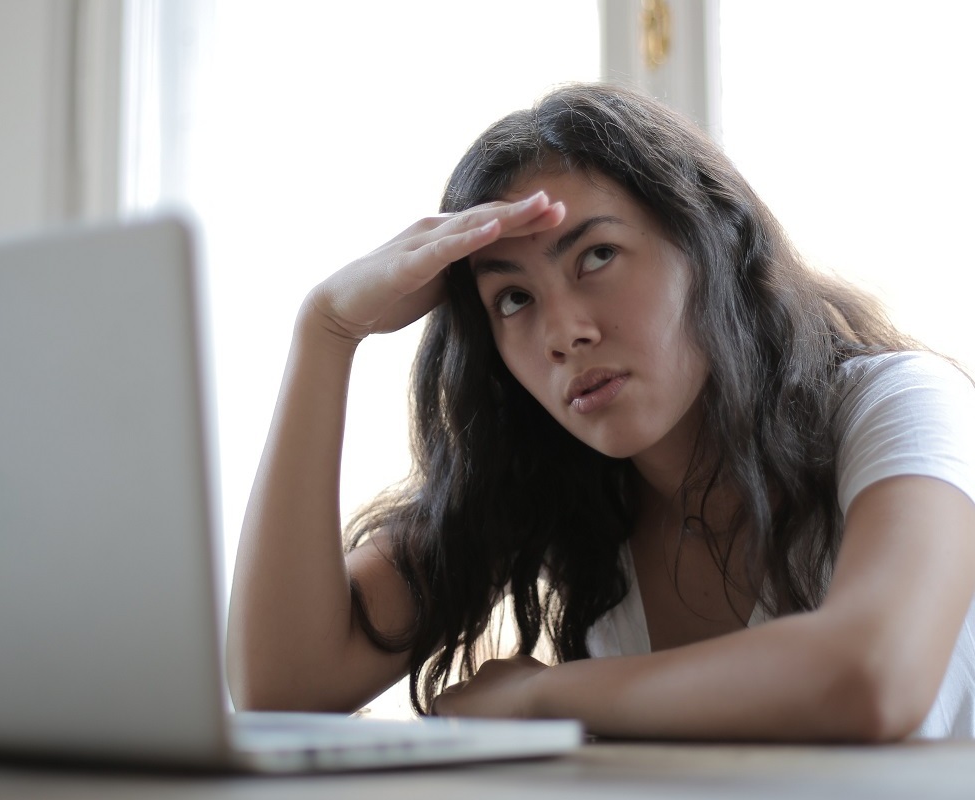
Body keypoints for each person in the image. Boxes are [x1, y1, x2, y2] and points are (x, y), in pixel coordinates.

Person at [225, 83, 975, 741]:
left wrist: (541, 697)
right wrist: (325, 331)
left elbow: (876, 677)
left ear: (711, 239)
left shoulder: (898, 404)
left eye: (595, 257)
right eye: (512, 299)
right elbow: (284, 688)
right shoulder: (555, 477)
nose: (562, 333)